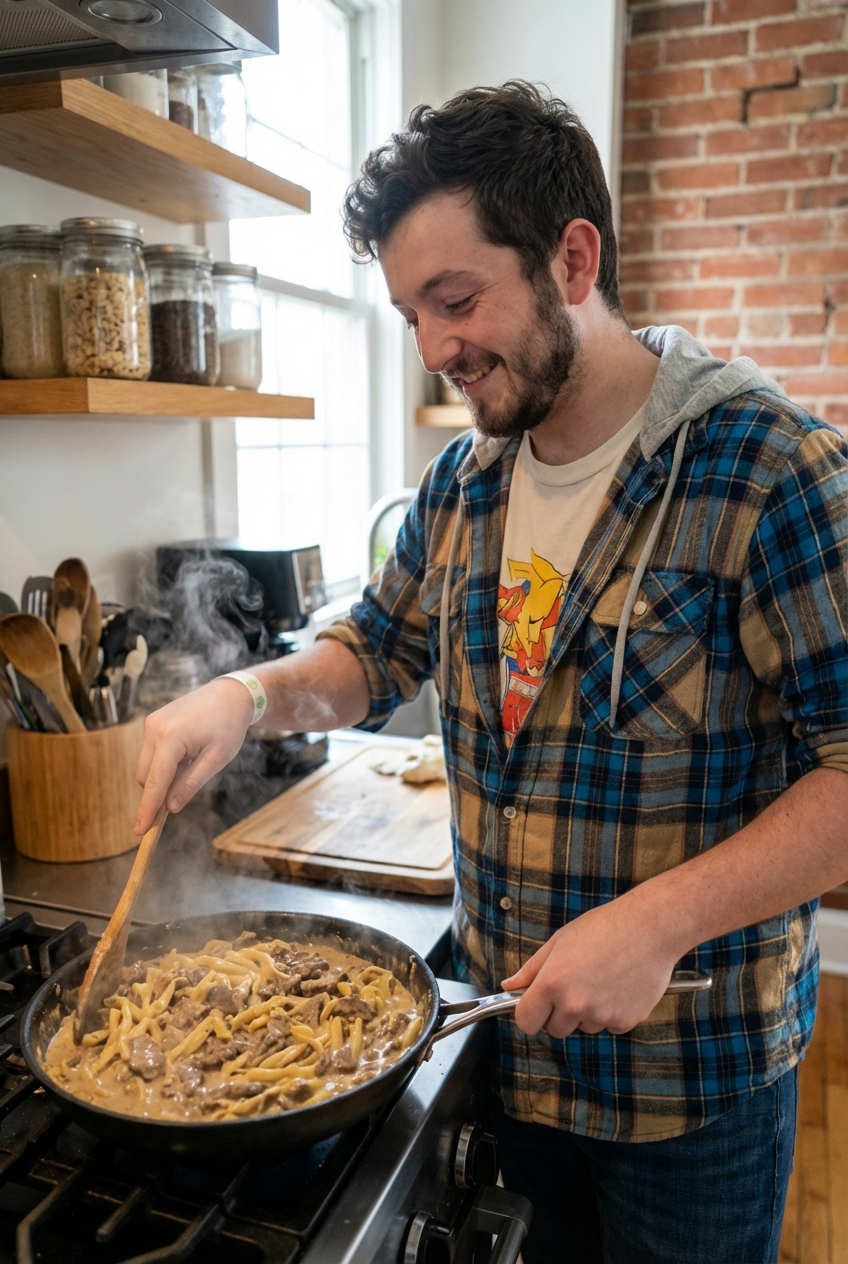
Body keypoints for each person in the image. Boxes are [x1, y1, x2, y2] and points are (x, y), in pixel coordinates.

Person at [134, 83, 848, 1263]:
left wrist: (657, 921)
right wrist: (246, 695)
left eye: (455, 301)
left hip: (686, 1082)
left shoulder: (773, 473)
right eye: (411, 314)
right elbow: (376, 650)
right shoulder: (465, 482)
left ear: (572, 257)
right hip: (498, 1049)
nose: (435, 349)